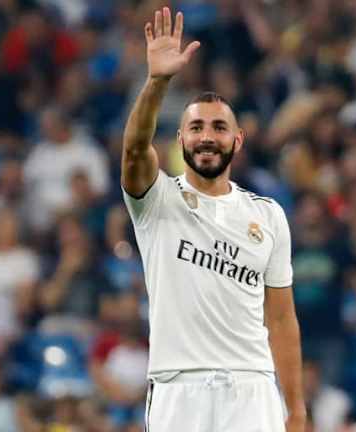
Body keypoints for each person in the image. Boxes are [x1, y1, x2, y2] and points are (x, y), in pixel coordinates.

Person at [120, 7, 305, 431]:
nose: (207, 136)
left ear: (237, 141)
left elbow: (281, 319)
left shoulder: (268, 215)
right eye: (197, 127)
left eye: (219, 127)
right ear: (180, 139)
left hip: (252, 387)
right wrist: (157, 82)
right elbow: (133, 150)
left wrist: (295, 408)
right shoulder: (156, 200)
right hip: (178, 386)